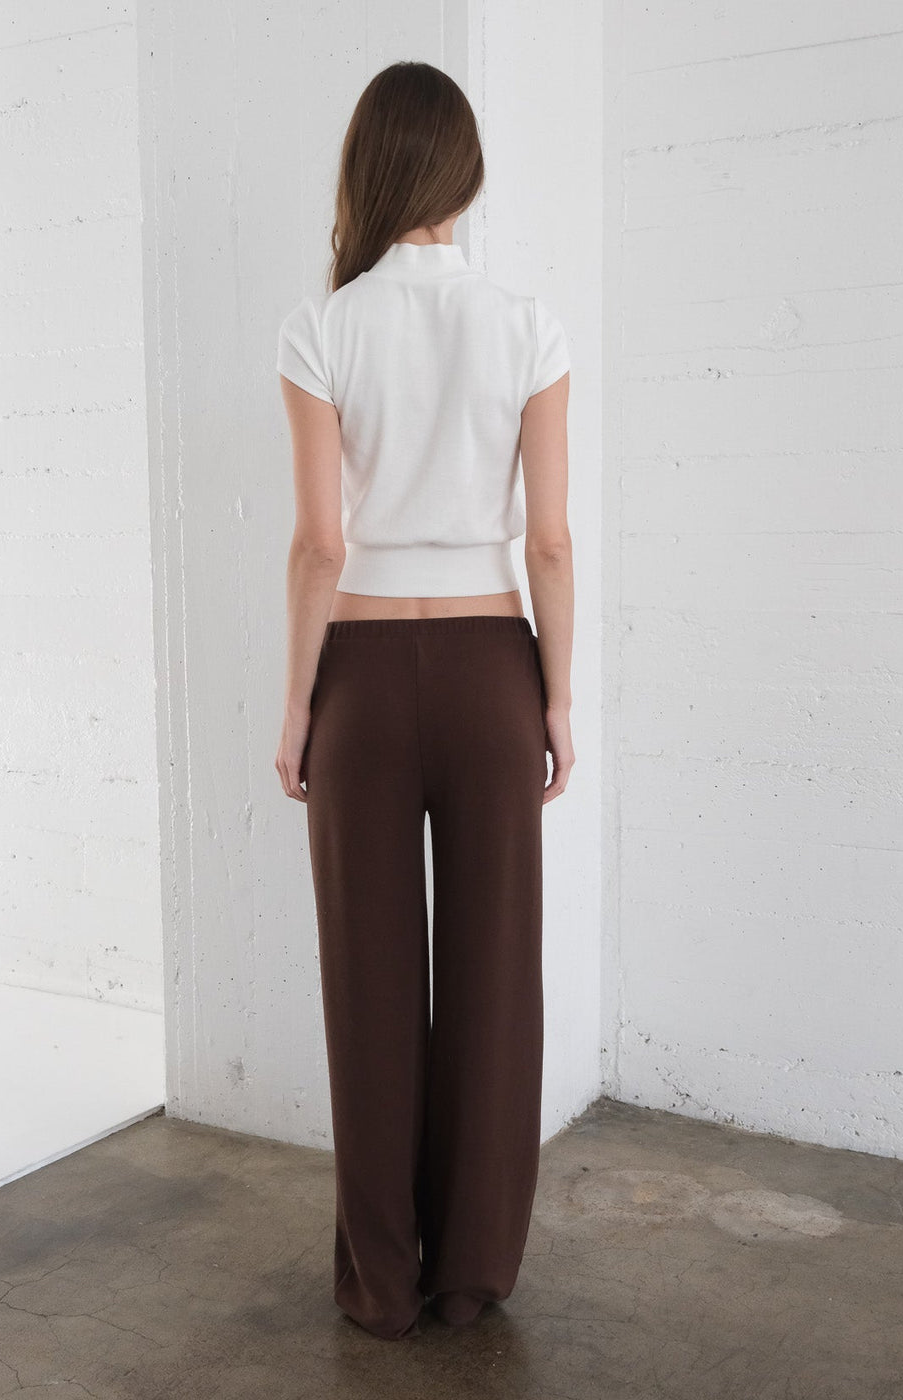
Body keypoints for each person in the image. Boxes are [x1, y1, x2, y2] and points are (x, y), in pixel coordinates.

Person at [274, 60, 574, 1342]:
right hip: (492, 669)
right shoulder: (529, 327)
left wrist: (297, 707)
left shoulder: (321, 326)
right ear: (463, 173)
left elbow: (317, 545)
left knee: (368, 978)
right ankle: (471, 1274)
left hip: (362, 680)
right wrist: (558, 699)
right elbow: (549, 541)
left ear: (369, 169)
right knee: (497, 981)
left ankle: (381, 1281)